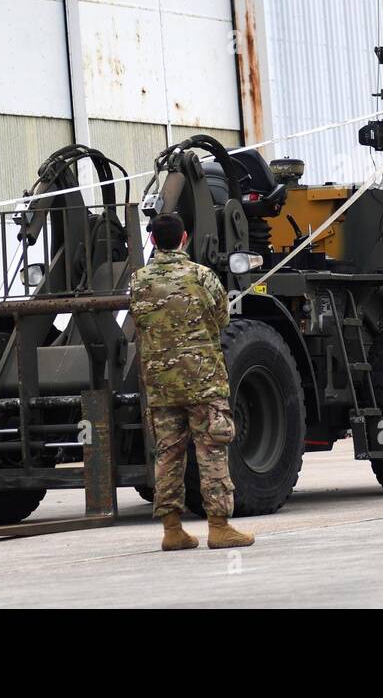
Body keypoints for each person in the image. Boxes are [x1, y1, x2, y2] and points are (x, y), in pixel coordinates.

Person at [129, 211, 253, 550]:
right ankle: (218, 527)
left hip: (161, 384)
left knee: (167, 455)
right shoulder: (203, 276)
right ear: (184, 239)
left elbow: (140, 322)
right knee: (211, 450)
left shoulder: (139, 280)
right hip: (203, 382)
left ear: (153, 240)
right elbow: (222, 319)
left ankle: (172, 530)